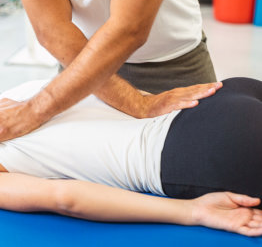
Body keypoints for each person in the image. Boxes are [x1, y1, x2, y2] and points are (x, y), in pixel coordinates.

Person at [0, 77, 261, 236]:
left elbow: (65, 198)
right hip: (224, 95)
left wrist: (193, 211)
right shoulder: (12, 100)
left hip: (204, 150)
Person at [0, 0, 220, 142]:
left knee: (200, 173)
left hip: (172, 66)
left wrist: (34, 110)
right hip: (78, 68)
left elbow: (129, 29)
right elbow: (51, 30)